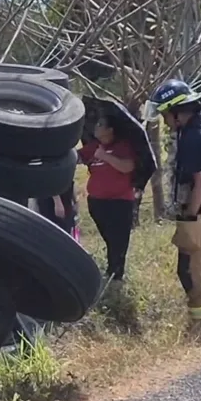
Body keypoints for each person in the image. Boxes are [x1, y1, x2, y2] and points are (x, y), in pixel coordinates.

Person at [147, 79, 201, 335]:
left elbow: (197, 181)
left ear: (176, 111)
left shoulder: (190, 138)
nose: (164, 120)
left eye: (165, 114)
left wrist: (189, 216)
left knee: (196, 268)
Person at [78, 115, 136, 282]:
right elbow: (77, 157)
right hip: (97, 202)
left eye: (100, 124)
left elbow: (128, 167)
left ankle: (115, 275)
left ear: (110, 130)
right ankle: (112, 271)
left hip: (119, 202)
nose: (96, 127)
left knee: (118, 240)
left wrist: (105, 156)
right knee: (110, 238)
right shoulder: (94, 146)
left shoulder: (123, 146)